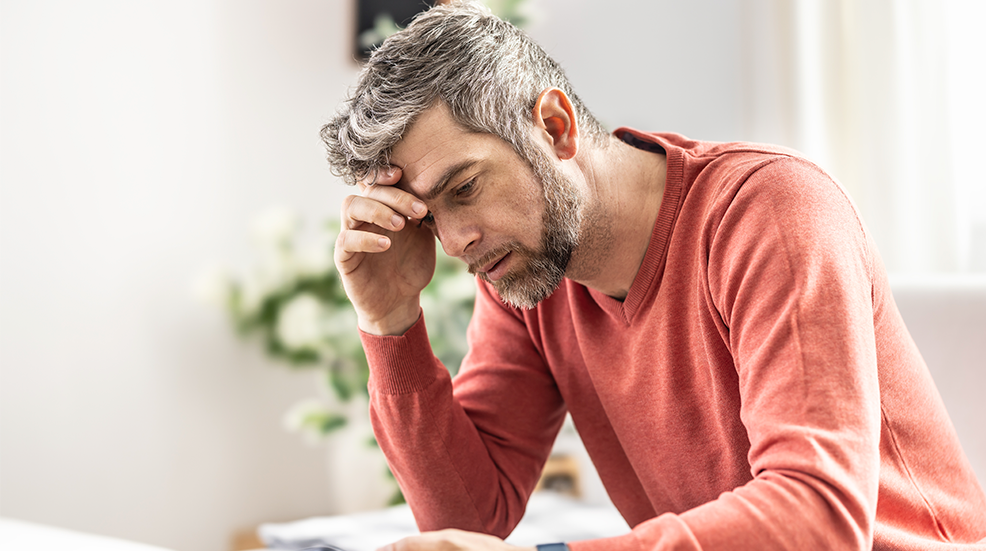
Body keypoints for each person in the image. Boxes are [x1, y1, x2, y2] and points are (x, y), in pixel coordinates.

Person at [321, 2, 986, 550]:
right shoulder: (526, 273)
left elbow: (819, 517)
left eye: (463, 188)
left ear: (553, 126)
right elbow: (471, 517)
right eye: (430, 220)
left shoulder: (769, 210)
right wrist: (391, 322)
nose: (458, 241)